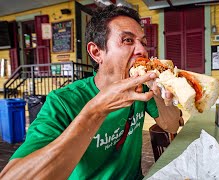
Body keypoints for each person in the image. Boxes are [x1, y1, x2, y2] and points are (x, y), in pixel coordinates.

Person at [0, 5, 181, 179]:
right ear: (96, 52)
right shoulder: (63, 102)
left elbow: (171, 126)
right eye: (127, 40)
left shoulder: (142, 89)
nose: (142, 50)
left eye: (143, 42)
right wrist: (95, 111)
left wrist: (161, 91)